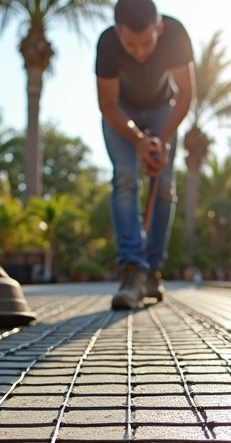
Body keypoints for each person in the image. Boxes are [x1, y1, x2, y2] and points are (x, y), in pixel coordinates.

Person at [95, 0, 194, 310]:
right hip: (121, 111)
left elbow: (186, 94)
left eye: (147, 42)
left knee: (164, 185)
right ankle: (132, 269)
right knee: (125, 178)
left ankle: (152, 268)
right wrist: (139, 141)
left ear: (159, 29)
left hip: (163, 107)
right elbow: (108, 104)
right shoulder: (108, 44)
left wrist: (161, 142)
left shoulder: (175, 34)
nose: (139, 52)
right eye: (130, 44)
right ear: (118, 32)